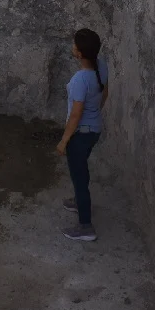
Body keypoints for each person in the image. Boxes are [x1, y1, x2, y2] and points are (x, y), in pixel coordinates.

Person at [56, 28, 109, 242]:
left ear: (79, 53)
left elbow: (76, 114)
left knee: (79, 178)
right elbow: (105, 93)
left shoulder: (80, 79)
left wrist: (64, 140)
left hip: (81, 134)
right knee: (82, 170)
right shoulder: (101, 66)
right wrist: (95, 112)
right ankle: (79, 202)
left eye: (74, 45)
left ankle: (86, 226)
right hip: (94, 129)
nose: (72, 47)